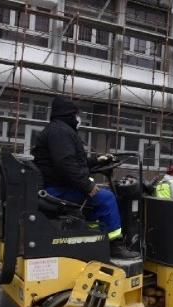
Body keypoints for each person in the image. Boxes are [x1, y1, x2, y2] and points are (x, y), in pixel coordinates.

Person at [31, 95, 138, 259]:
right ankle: (115, 245)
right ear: (68, 114)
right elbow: (65, 164)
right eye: (76, 114)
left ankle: (96, 239)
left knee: (100, 199)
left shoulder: (59, 130)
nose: (78, 118)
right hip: (58, 190)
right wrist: (86, 185)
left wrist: (96, 160)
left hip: (60, 185)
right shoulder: (60, 132)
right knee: (107, 198)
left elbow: (73, 162)